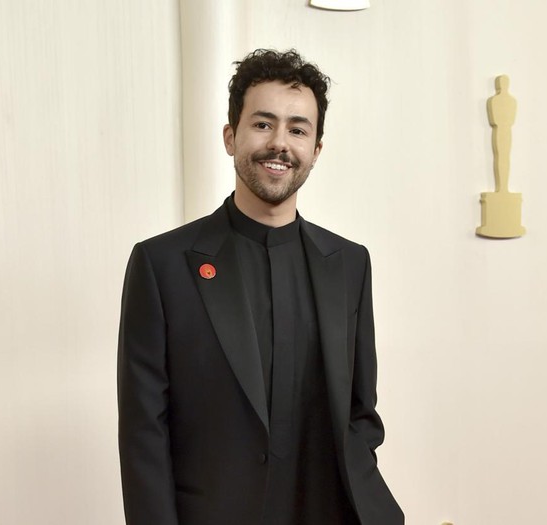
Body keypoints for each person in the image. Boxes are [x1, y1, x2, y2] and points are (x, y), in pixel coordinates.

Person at [117, 49, 403, 525]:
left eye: (297, 129)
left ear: (316, 149)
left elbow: (360, 412)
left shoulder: (350, 264)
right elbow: (144, 433)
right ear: (231, 137)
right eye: (263, 124)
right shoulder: (161, 264)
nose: (280, 144)